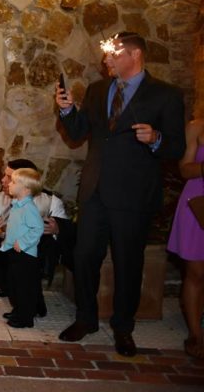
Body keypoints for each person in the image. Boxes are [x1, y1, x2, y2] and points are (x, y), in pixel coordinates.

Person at [55, 31, 185, 356]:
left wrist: (155, 138)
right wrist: (68, 111)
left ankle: (123, 327)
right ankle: (85, 319)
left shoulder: (165, 95)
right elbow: (80, 133)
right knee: (84, 256)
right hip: (95, 189)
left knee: (128, 262)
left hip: (133, 194)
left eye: (113, 55)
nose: (106, 61)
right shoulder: (99, 90)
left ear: (135, 54)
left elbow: (176, 147)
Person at [0, 159, 73, 312]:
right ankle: (8, 286)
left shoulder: (50, 202)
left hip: (32, 252)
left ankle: (29, 303)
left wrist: (57, 228)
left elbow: (62, 231)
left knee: (26, 263)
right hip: (7, 245)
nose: (3, 180)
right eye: (4, 175)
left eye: (9, 178)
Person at [167, 118, 204, 359]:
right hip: (198, 203)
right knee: (196, 272)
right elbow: (184, 168)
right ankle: (195, 333)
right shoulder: (196, 126)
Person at [0, 168, 45, 328]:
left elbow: (38, 228)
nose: (9, 184)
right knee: (14, 284)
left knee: (24, 287)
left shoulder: (28, 208)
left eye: (13, 182)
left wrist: (24, 242)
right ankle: (18, 310)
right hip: (15, 251)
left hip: (25, 255)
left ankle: (25, 318)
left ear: (25, 189)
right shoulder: (18, 205)